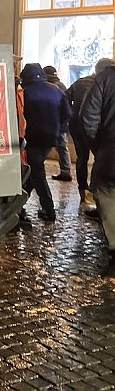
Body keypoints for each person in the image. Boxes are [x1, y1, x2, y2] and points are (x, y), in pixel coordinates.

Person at [20, 63, 71, 221]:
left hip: (32, 137)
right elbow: (67, 113)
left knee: (37, 173)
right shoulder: (56, 90)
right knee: (34, 170)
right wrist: (58, 130)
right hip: (50, 138)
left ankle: (49, 210)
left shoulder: (25, 93)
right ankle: (18, 205)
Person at [68, 58, 115, 215]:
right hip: (101, 139)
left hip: (87, 133)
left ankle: (85, 193)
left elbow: (87, 115)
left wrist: (97, 144)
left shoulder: (96, 80)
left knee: (83, 159)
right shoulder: (104, 80)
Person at [80, 63, 115, 262]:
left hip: (111, 154)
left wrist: (99, 147)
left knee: (108, 195)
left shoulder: (106, 77)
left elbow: (88, 117)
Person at [43, 65, 73, 181]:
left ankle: (36, 171)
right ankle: (66, 171)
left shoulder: (47, 87)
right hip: (61, 123)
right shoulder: (61, 86)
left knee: (44, 147)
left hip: (50, 122)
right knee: (62, 147)